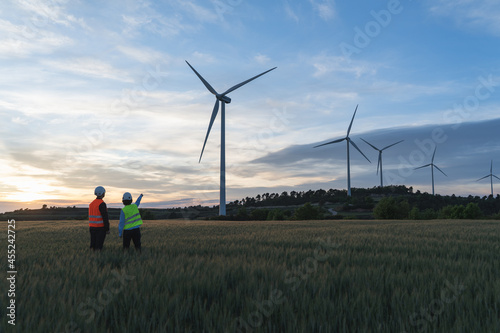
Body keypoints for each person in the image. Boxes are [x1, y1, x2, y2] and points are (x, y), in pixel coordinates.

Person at [88, 186, 110, 251]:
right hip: (100, 228)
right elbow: (105, 217)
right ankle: (97, 258)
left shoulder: (91, 204)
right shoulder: (102, 204)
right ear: (102, 194)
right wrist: (107, 229)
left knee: (93, 245)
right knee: (98, 247)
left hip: (92, 228)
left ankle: (91, 258)